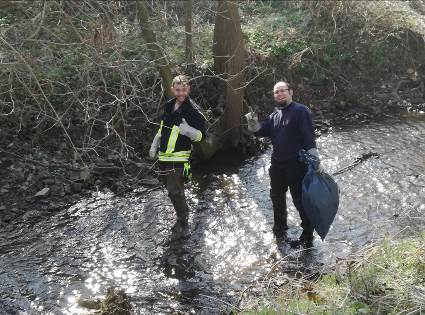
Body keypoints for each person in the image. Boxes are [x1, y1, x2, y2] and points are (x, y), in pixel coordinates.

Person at [245, 81, 323, 248]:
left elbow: (308, 136)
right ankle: (279, 229)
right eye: (276, 92)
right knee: (277, 198)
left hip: (297, 165)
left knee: (299, 201)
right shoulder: (274, 116)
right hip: (277, 166)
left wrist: (315, 158)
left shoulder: (300, 111)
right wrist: (252, 123)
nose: (279, 94)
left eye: (282, 91)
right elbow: (260, 131)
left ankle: (308, 234)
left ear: (291, 92)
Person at [149, 75, 206, 234]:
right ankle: (183, 214)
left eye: (184, 89)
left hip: (180, 157)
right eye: (178, 90)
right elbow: (162, 128)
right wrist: (155, 144)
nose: (181, 93)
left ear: (188, 89)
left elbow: (202, 136)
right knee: (172, 190)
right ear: (172, 89)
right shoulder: (168, 106)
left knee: (174, 191)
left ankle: (183, 222)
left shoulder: (193, 111)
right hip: (164, 156)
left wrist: (190, 131)